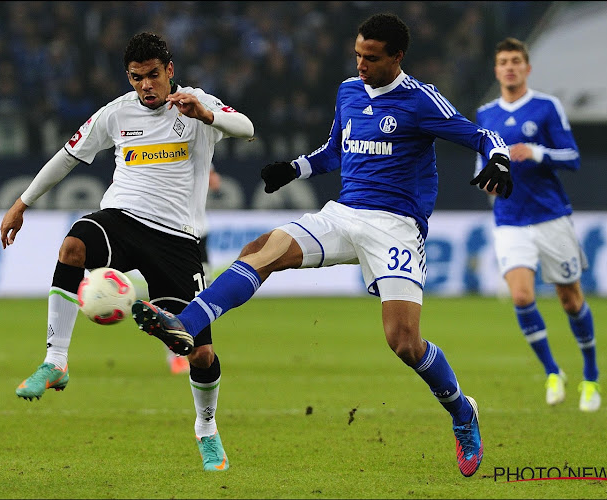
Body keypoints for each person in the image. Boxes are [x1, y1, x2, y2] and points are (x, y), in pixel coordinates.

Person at [131, 13, 513, 477]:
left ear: (397, 57)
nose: (362, 65)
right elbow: (336, 149)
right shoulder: (349, 91)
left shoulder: (420, 100)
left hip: (395, 225)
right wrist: (293, 169)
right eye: (357, 55)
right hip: (344, 212)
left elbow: (478, 133)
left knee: (404, 342)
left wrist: (499, 158)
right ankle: (184, 323)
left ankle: (462, 414)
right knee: (263, 248)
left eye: (371, 58)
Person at [0, 32, 255, 471]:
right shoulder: (116, 114)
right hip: (123, 217)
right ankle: (55, 360)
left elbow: (248, 129)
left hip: (178, 239)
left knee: (200, 354)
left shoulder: (194, 104)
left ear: (169, 71)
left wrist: (208, 115)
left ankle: (206, 427)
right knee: (74, 245)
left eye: (154, 76)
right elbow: (66, 156)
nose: (146, 86)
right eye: (137, 78)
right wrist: (23, 202)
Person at [474, 37, 600, 412]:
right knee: (521, 296)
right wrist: (489, 179)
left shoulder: (546, 107)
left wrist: (537, 152)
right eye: (503, 62)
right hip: (510, 220)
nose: (510, 67)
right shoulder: (485, 114)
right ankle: (552, 371)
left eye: (516, 61)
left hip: (551, 217)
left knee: (570, 299)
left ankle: (591, 375)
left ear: (527, 68)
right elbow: (480, 165)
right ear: (496, 70)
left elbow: (573, 157)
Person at [165, 164, 222, 375]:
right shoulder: (156, 151)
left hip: (198, 234)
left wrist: (206, 178)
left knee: (203, 293)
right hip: (170, 233)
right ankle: (176, 353)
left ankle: (198, 347)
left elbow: (216, 182)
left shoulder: (197, 149)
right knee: (175, 293)